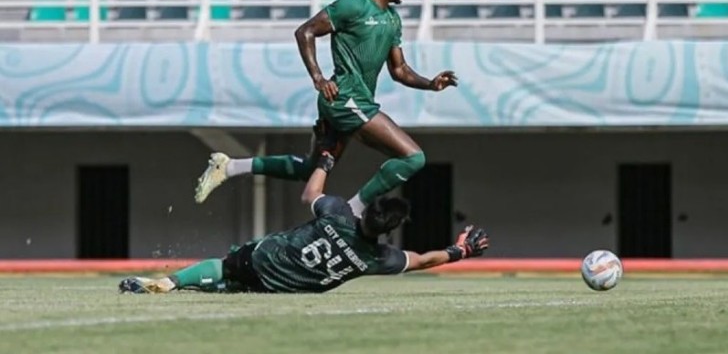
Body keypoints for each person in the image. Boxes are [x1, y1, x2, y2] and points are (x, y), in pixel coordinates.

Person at [194, 0, 458, 217]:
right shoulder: (351, 7)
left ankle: (228, 167)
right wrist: (318, 78)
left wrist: (430, 84)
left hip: (353, 101)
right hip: (345, 98)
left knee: (311, 169)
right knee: (414, 158)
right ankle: (353, 211)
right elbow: (305, 31)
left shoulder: (392, 19)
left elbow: (399, 70)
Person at [120, 153, 489, 295]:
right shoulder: (376, 259)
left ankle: (172, 281)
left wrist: (325, 163)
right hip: (283, 287)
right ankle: (198, 285)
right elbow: (423, 260)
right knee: (231, 285)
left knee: (228, 265)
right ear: (387, 233)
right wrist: (461, 250)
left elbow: (310, 192)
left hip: (266, 257)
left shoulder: (338, 214)